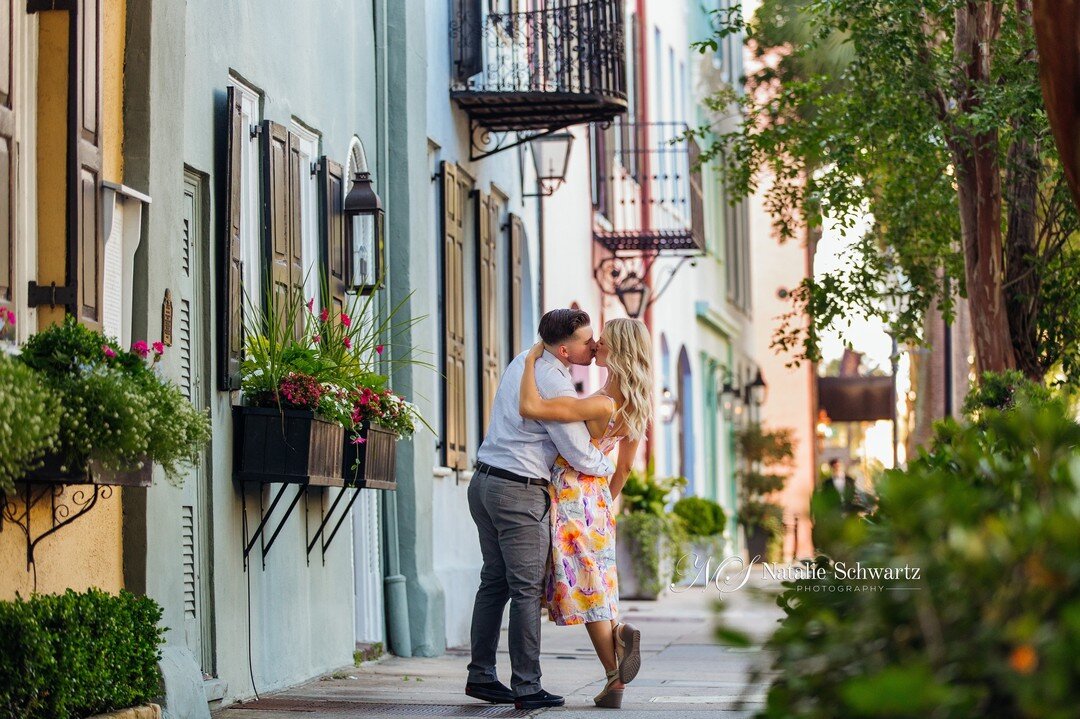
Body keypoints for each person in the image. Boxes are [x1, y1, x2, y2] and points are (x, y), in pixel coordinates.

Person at [466, 309, 616, 711]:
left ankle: (481, 675)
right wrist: (610, 466)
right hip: (517, 491)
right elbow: (578, 453)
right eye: (587, 341)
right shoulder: (552, 381)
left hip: (484, 482)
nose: (594, 345)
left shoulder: (526, 358)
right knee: (525, 589)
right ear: (565, 349)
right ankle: (527, 686)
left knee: (494, 582)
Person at [518, 317, 653, 709]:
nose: (595, 346)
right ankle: (615, 679)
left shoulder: (598, 403)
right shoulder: (636, 404)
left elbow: (531, 406)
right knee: (599, 583)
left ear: (619, 352)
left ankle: (616, 671)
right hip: (598, 498)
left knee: (589, 588)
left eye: (603, 342)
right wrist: (604, 507)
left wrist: (530, 362)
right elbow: (624, 468)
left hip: (572, 492)